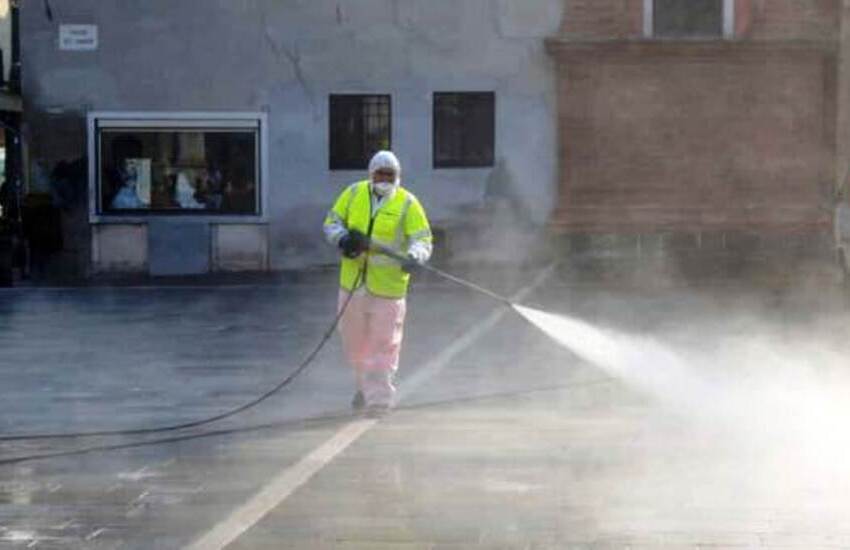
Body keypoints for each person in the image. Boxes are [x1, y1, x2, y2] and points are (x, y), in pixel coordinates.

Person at [323, 150, 433, 417]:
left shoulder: (408, 203)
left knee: (383, 345)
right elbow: (331, 223)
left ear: (398, 177)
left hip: (388, 288)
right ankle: (363, 388)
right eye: (380, 174)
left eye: (389, 175)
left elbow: (422, 238)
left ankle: (379, 400)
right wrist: (343, 240)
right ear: (371, 174)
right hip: (353, 286)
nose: (384, 179)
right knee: (354, 342)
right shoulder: (352, 194)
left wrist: (415, 257)